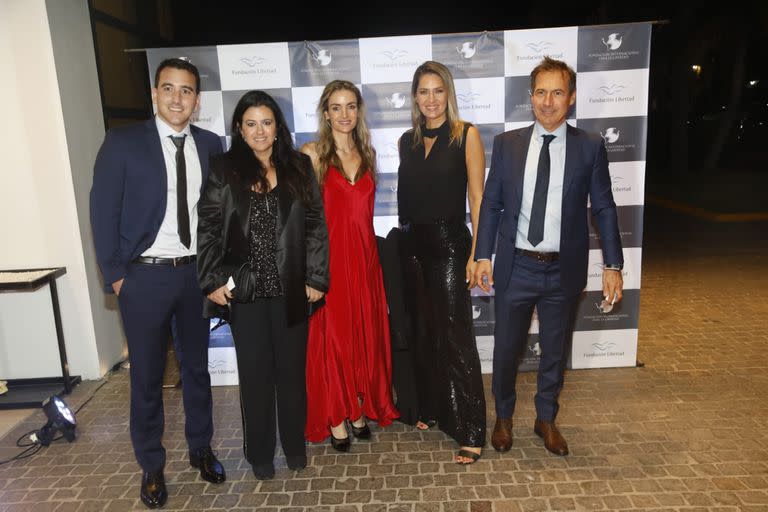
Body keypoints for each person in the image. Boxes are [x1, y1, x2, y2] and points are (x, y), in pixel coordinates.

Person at [90, 58, 225, 509]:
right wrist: (117, 276)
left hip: (193, 275)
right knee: (147, 378)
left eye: (186, 91)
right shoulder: (123, 142)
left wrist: (217, 269)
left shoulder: (211, 144)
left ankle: (200, 449)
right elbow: (103, 211)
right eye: (168, 88)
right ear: (154, 93)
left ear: (197, 100)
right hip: (143, 276)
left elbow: (220, 214)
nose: (176, 98)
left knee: (197, 371)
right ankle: (151, 466)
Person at [474, 56, 624, 456]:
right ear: (531, 97)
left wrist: (613, 265)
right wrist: (483, 255)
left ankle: (546, 419)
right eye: (540, 92)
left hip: (564, 270)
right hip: (516, 266)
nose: (547, 100)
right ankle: (503, 417)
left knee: (554, 351)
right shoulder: (507, 144)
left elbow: (604, 207)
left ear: (571, 98)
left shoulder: (590, 146)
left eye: (557, 92)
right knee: (506, 349)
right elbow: (491, 204)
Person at [197, 90, 329, 480]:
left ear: (277, 127)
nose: (259, 131)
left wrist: (317, 278)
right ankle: (259, 455)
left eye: (266, 123)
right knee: (255, 377)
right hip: (245, 291)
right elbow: (207, 228)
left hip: (292, 289)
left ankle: (293, 446)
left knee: (291, 374)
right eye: (251, 123)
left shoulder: (300, 166)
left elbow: (315, 227)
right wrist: (212, 279)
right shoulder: (224, 168)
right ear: (239, 128)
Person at [300, 80, 399, 451]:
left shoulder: (367, 152)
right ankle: (337, 413)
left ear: (359, 111)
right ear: (325, 113)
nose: (345, 114)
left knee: (362, 335)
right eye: (336, 107)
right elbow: (303, 219)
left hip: (365, 258)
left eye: (351, 106)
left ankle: (358, 404)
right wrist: (309, 269)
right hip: (331, 261)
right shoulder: (311, 154)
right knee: (335, 339)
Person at [397, 61, 487, 464]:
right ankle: (432, 409)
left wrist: (477, 253)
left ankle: (470, 429)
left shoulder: (466, 135)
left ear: (447, 93)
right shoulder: (406, 140)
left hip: (451, 243)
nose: (430, 99)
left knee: (456, 337)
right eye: (423, 92)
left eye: (437, 91)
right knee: (424, 331)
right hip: (413, 244)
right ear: (415, 97)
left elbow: (477, 199)